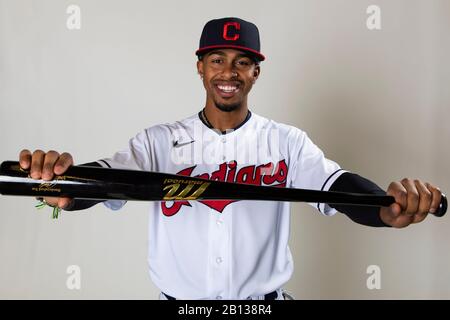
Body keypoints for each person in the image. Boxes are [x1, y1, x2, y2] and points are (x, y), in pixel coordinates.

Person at [18, 17, 442, 300]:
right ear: (200, 67)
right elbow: (107, 179)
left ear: (255, 72)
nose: (228, 72)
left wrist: (384, 208)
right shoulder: (158, 142)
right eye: (217, 60)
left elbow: (337, 186)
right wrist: (62, 184)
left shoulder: (286, 141)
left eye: (242, 62)